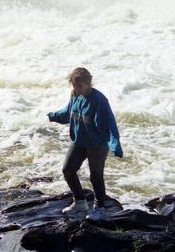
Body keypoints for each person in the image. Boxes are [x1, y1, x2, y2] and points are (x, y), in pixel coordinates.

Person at [47, 67, 123, 221]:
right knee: (68, 170)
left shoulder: (99, 100)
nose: (75, 88)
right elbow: (68, 113)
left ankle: (100, 207)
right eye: (74, 86)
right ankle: (80, 202)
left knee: (95, 176)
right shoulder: (75, 95)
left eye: (78, 86)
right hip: (79, 142)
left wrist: (115, 145)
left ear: (88, 84)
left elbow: (111, 125)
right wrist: (53, 116)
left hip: (97, 145)